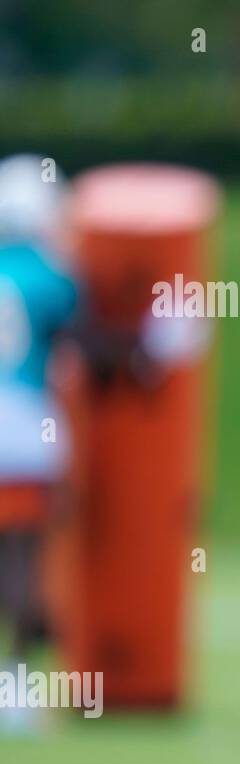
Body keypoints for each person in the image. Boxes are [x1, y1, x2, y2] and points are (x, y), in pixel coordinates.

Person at [0, 154, 78, 733]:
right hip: (22, 429)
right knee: (23, 563)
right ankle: (17, 685)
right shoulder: (48, 276)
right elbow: (97, 348)